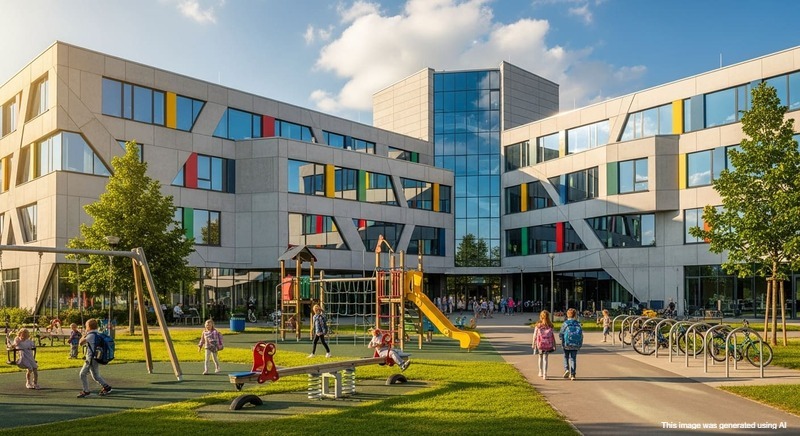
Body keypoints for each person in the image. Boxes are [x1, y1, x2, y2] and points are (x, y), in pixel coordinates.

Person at [77, 318, 112, 398]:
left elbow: (81, 343)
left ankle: (86, 391)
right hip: (96, 357)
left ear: (88, 327)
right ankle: (107, 387)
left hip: (90, 358)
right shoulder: (98, 334)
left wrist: (83, 335)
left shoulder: (90, 336)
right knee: (95, 375)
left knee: (82, 374)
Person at [559, 308, 584, 381]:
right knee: (573, 359)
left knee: (566, 357)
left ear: (567, 315)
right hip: (575, 344)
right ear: (575, 315)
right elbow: (581, 334)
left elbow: (561, 333)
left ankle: (566, 369)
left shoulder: (565, 323)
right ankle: (573, 374)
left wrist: (561, 339)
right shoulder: (578, 323)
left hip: (566, 343)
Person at [531, 310, 556, 380]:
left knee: (540, 357)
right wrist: (554, 345)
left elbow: (535, 335)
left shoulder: (538, 325)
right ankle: (545, 374)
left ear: (540, 316)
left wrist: (533, 343)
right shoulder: (550, 325)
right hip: (548, 344)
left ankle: (540, 371)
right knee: (546, 358)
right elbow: (552, 336)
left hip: (540, 344)